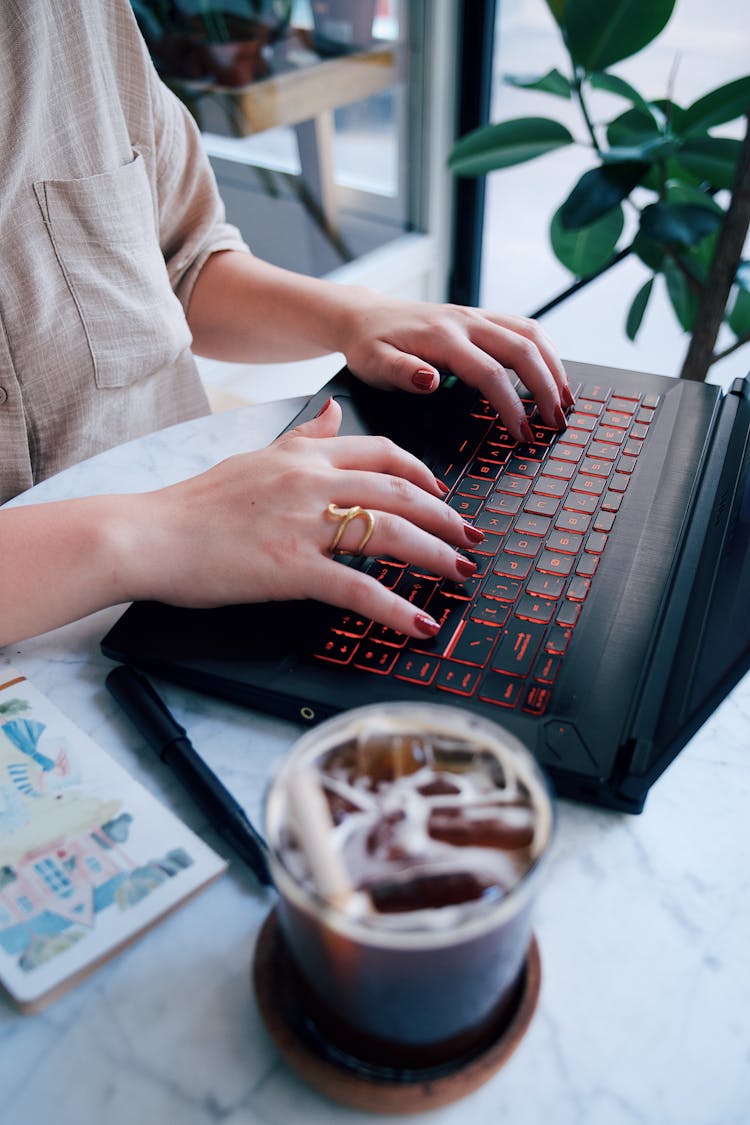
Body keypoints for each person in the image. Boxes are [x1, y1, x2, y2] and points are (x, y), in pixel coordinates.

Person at [0, 0, 571, 649]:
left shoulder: (80, 16)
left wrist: (355, 315)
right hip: (165, 555)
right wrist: (162, 530)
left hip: (210, 537)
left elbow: (180, 264)